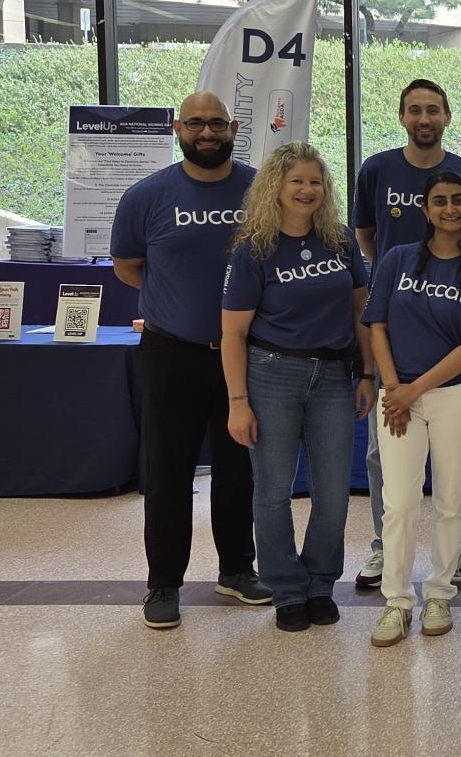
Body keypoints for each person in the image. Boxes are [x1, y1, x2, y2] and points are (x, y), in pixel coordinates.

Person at [111, 91, 269, 630]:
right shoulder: (146, 196)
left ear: (233, 128)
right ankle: (163, 583)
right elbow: (128, 266)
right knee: (168, 473)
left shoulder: (260, 191)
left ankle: (236, 570)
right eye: (196, 124)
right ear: (178, 129)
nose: (207, 133)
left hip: (244, 355)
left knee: (238, 470)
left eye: (217, 124)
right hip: (170, 353)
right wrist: (177, 302)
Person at [220, 142, 376, 632]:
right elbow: (233, 333)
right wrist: (238, 402)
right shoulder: (253, 249)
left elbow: (361, 310)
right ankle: (287, 589)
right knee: (272, 491)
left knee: (332, 491)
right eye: (297, 182)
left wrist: (367, 373)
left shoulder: (340, 240)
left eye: (315, 182)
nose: (307, 190)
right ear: (276, 187)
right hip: (272, 375)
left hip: (333, 376)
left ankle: (320, 584)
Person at [351, 79, 461, 590]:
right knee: (382, 458)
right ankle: (383, 547)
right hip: (395, 332)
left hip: (448, 342)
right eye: (415, 110)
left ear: (447, 116)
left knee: (457, 468)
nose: (424, 118)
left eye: (433, 109)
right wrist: (401, 279)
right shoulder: (376, 170)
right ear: (402, 117)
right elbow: (364, 237)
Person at [363, 171, 461, 647]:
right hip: (398, 396)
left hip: (455, 398)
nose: (449, 208)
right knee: (399, 503)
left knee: (450, 501)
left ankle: (439, 594)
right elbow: (377, 326)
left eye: (458, 200)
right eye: (439, 201)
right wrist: (394, 388)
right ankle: (397, 602)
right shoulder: (397, 259)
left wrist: (412, 390)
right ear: (425, 210)